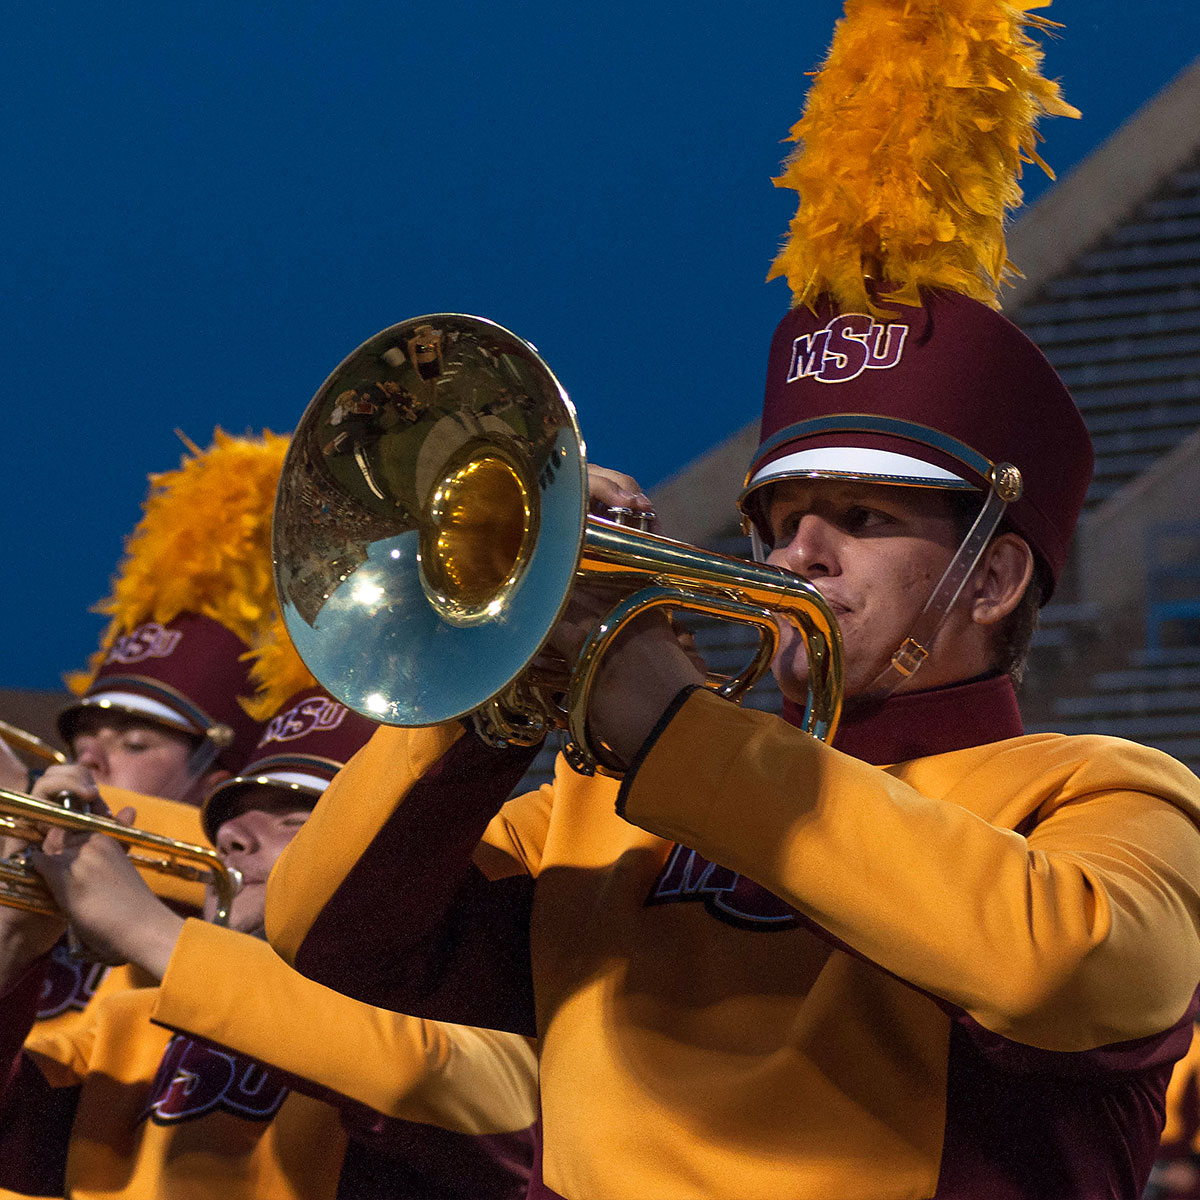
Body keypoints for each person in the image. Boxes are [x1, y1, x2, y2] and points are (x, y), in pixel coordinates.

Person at [264, 4, 1200, 1198]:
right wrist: (495, 689)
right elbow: (323, 933)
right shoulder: (589, 817)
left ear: (995, 574)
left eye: (861, 519)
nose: (797, 550)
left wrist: (678, 733)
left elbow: (1062, 973)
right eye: (776, 519)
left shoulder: (1106, 793)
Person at [0, 684, 537, 1199]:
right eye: (228, 824)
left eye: (297, 821)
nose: (230, 838)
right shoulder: (127, 1024)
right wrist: (15, 942)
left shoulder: (478, 1027)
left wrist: (151, 931)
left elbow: (459, 1101)